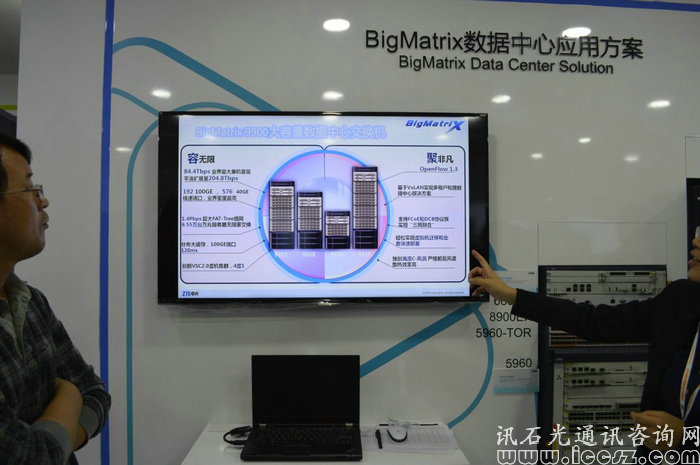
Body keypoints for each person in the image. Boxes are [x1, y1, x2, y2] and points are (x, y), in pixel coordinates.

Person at [469, 239, 700, 456]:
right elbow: (595, 321)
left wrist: (685, 438)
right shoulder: (682, 299)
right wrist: (510, 294)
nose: (695, 242)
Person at [0, 133, 111, 465]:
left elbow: (95, 393)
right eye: (29, 189)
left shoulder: (30, 302)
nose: (43, 202)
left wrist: (53, 446)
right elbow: (31, 458)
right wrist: (69, 393)